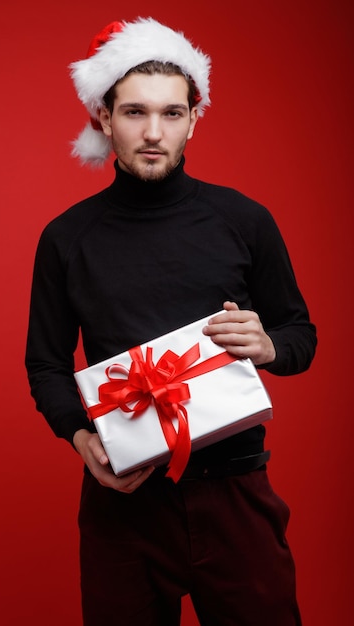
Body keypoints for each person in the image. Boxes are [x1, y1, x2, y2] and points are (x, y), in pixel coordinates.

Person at [25, 17, 317, 626]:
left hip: (237, 491)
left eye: (172, 113)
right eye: (134, 112)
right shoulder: (66, 238)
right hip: (125, 506)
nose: (153, 132)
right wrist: (80, 438)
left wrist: (267, 346)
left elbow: (300, 336)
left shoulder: (245, 220)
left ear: (194, 117)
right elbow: (47, 363)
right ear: (104, 119)